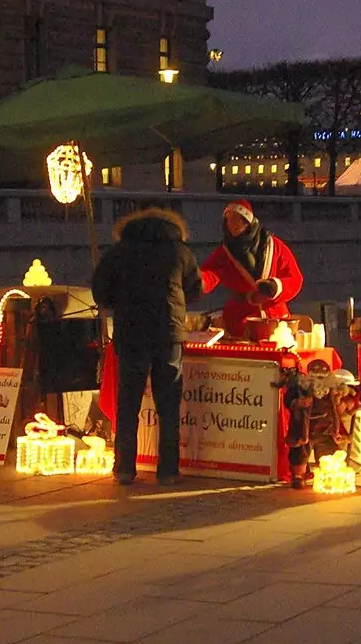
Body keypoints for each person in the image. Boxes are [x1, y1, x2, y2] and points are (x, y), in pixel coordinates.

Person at [90, 205, 203, 486]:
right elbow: (195, 290)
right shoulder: (179, 251)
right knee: (168, 404)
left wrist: (120, 302)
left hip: (131, 333)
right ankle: (168, 471)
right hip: (168, 335)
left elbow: (100, 291)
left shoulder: (119, 252)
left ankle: (125, 469)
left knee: (128, 403)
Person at [199, 199, 304, 340]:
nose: (232, 224)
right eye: (228, 220)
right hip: (239, 321)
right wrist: (198, 281)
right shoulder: (224, 252)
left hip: (275, 322)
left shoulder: (275, 247)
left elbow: (294, 278)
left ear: (247, 221)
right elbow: (210, 273)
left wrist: (276, 287)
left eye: (236, 219)